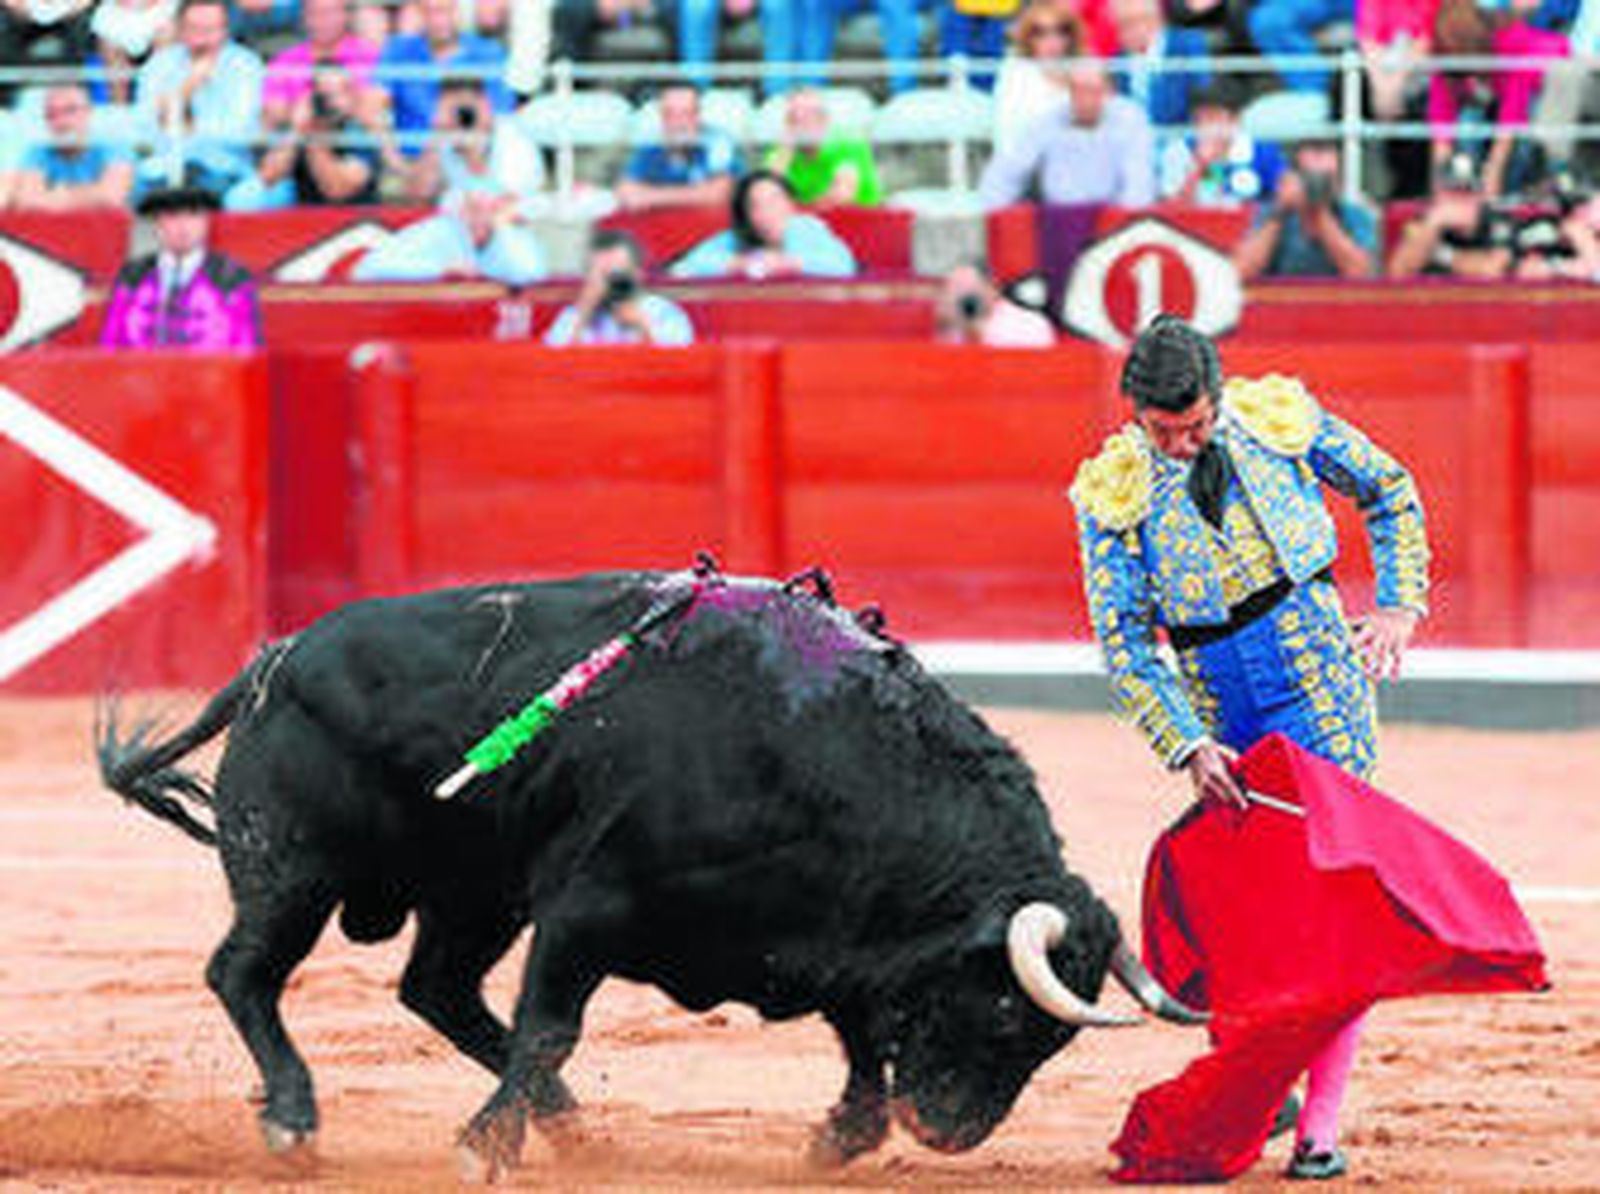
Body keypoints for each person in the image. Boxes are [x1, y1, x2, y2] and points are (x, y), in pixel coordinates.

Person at [1069, 314, 1430, 1180]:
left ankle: (1319, 1131)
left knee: (1333, 905)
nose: (1181, 444)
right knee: (1247, 914)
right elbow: (1126, 644)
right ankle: (1272, 1084)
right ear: (1135, 412)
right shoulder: (1114, 488)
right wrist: (1187, 745)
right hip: (1215, 708)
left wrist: (1398, 603)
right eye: (1162, 431)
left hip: (1318, 680)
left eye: (1194, 425)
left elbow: (1388, 488)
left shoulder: (1278, 420)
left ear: (1217, 397)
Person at [100, 180, 262, 350]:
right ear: (157, 223)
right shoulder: (133, 275)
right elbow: (110, 343)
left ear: (206, 222)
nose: (183, 226)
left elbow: (246, 347)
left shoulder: (231, 276)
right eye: (172, 215)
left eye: (193, 215)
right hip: (140, 366)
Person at [979, 59, 1157, 208]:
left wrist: (1123, 222)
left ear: (1109, 91)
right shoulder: (1048, 120)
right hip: (1058, 217)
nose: (1086, 100)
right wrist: (994, 211)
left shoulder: (1131, 119)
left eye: (1094, 91)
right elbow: (1009, 170)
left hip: (1113, 217)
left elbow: (1139, 184)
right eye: (1078, 90)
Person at [132, 0, 265, 201]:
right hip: (161, 168)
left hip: (222, 168)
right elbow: (143, 127)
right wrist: (186, 89)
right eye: (194, 29)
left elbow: (240, 131)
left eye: (210, 30)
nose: (202, 38)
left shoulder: (245, 65)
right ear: (180, 29)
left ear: (225, 31)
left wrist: (185, 131)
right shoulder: (159, 64)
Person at [225, 64, 385, 209]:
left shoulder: (361, 132)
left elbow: (338, 191)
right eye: (325, 93)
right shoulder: (295, 128)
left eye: (339, 93)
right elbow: (267, 179)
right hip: (303, 217)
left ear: (353, 96)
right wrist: (297, 131)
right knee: (245, 197)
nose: (331, 102)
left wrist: (314, 140)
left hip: (354, 218)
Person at [377, 0, 509, 159]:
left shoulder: (489, 53)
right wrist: (396, 161)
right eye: (431, 11)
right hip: (412, 160)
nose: (439, 20)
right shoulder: (398, 51)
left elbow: (500, 114)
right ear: (419, 14)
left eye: (445, 10)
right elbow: (374, 106)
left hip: (473, 157)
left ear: (458, 11)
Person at [1231, 137, 1378, 280]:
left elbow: (1360, 273)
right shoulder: (1271, 213)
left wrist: (1321, 213)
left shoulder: (1355, 215)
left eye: (1325, 179)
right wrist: (1279, 211)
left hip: (1336, 295)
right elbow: (1241, 270)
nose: (1315, 185)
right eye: (1308, 176)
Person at [668, 169, 857, 278]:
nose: (766, 212)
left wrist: (786, 263)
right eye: (755, 205)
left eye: (774, 201)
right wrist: (739, 264)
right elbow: (682, 268)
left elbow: (843, 266)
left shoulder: (806, 229)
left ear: (790, 205)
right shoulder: (738, 235)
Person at [352, 188, 549, 284]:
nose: (481, 217)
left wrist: (502, 226)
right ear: (458, 212)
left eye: (490, 208)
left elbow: (530, 274)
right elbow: (367, 269)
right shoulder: (437, 230)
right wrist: (440, 270)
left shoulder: (507, 233)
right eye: (473, 208)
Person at [403, 74, 545, 207]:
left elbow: (510, 202)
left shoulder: (514, 137)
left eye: (465, 111)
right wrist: (438, 132)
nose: (462, 118)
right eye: (451, 109)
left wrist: (473, 157)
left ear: (485, 105)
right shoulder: (448, 136)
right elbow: (419, 194)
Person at [543, 228, 695, 345]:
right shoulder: (575, 314)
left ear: (637, 273)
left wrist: (642, 326)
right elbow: (554, 360)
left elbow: (676, 362)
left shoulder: (662, 311)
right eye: (602, 274)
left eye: (616, 273)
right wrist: (583, 314)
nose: (610, 282)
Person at [1386, 150, 1518, 278]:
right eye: (1453, 191)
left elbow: (1493, 269)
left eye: (1467, 191)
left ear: (1480, 195)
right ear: (1440, 193)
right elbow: (1398, 271)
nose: (1459, 200)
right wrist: (1434, 224)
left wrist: (1443, 255)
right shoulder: (1426, 219)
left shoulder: (1497, 222)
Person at [616, 84, 743, 213]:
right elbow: (627, 194)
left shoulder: (717, 142)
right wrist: (697, 194)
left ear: (698, 116)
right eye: (670, 114)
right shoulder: (651, 145)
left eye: (686, 113)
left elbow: (720, 194)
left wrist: (650, 196)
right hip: (662, 222)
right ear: (661, 117)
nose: (679, 123)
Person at [10, 82, 135, 210]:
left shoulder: (114, 145)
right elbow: (26, 200)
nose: (62, 121)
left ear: (89, 111)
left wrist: (57, 193)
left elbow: (111, 198)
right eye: (51, 114)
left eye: (71, 110)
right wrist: (92, 193)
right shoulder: (38, 150)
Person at [1161, 81, 1285, 204]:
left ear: (1235, 120)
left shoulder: (1260, 150)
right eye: (1198, 119)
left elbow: (1284, 195)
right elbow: (1174, 205)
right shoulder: (1179, 152)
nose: (1206, 126)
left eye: (1213, 117)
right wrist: (1203, 165)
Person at [992, 1, 1086, 157]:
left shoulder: (1087, 70)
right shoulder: (1015, 74)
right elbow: (1007, 138)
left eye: (1061, 31)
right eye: (1040, 33)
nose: (1052, 40)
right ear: (1028, 37)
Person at [762, 87, 882, 208]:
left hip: (860, 215)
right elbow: (764, 196)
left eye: (812, 115)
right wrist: (784, 152)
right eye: (794, 117)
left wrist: (797, 212)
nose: (803, 122)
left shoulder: (848, 142)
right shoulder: (780, 150)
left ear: (825, 119)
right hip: (805, 217)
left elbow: (841, 197)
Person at [936, 258, 1056, 346]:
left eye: (967, 287)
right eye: (955, 288)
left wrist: (980, 332)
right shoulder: (955, 328)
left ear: (992, 289)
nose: (962, 296)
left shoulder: (1028, 323)